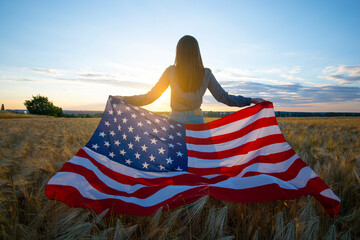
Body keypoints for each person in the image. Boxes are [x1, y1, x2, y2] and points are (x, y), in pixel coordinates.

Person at [116, 35, 265, 124]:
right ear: (196, 52)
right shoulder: (206, 73)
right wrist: (251, 100)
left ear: (178, 52)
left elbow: (150, 96)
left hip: (175, 120)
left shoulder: (170, 71)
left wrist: (123, 99)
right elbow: (223, 97)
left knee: (175, 165)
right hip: (197, 119)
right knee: (198, 164)